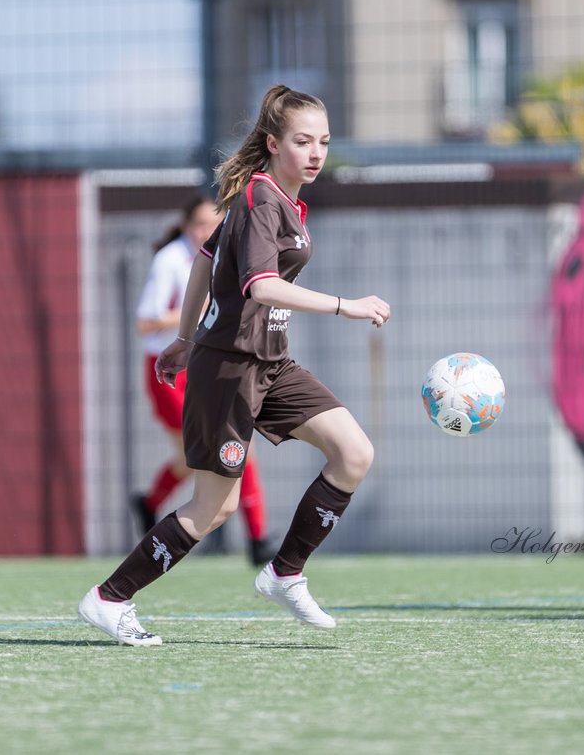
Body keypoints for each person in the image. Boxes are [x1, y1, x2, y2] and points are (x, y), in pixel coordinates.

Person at [78, 85, 391, 646]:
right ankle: (109, 597)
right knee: (213, 508)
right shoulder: (260, 198)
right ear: (273, 143)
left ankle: (284, 573)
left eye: (323, 141)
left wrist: (184, 337)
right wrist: (347, 305)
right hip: (231, 371)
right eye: (302, 141)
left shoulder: (283, 200)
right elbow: (261, 285)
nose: (316, 152)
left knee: (353, 452)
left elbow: (204, 258)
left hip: (270, 363)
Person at [131, 195, 275, 567]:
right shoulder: (171, 261)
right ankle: (254, 540)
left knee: (222, 451)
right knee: (215, 453)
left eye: (216, 225)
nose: (208, 232)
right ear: (185, 226)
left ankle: (258, 541)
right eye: (200, 225)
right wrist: (193, 312)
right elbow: (146, 321)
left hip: (209, 369)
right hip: (171, 374)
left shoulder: (228, 255)